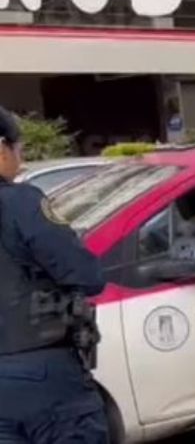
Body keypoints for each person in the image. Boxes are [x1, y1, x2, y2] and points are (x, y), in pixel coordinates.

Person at [0, 106, 109, 443]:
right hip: (42, 373)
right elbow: (86, 274)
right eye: (19, 149)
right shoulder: (19, 202)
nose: (21, 158)